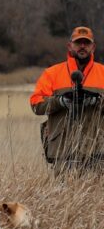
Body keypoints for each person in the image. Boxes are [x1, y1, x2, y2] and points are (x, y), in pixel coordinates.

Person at [30, 26, 104, 173]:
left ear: (93, 47)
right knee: (63, 195)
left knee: (96, 195)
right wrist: (59, 102)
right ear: (69, 45)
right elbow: (36, 103)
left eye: (86, 43)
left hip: (97, 151)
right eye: (78, 43)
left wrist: (98, 102)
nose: (82, 46)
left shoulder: (102, 73)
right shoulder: (52, 73)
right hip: (62, 152)